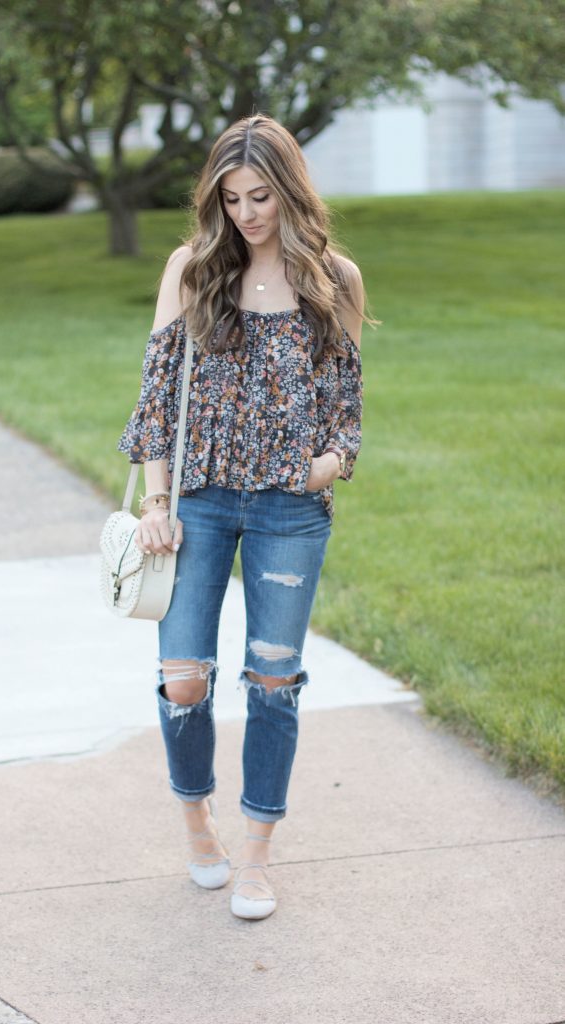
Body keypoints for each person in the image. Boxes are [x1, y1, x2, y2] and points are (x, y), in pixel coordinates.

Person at [117, 112, 371, 921]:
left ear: (290, 192)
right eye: (231, 199)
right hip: (197, 503)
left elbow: (347, 416)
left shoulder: (335, 279)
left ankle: (257, 855)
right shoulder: (192, 270)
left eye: (261, 196)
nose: (247, 214)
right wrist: (156, 501)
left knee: (272, 678)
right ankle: (199, 824)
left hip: (288, 513)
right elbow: (155, 402)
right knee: (183, 677)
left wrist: (324, 466)